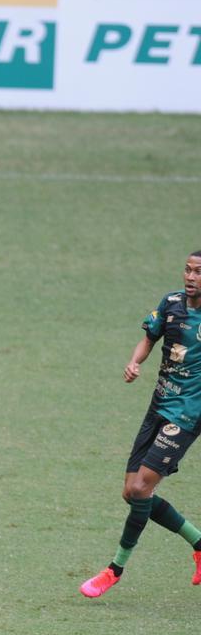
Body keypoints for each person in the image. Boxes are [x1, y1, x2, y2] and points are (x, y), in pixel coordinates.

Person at [81, 250, 201, 597]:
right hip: (159, 406)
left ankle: (114, 569)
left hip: (188, 414)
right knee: (131, 493)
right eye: (187, 270)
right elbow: (149, 338)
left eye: (198, 272)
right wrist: (135, 363)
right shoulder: (172, 304)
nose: (190, 277)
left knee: (140, 491)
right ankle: (199, 543)